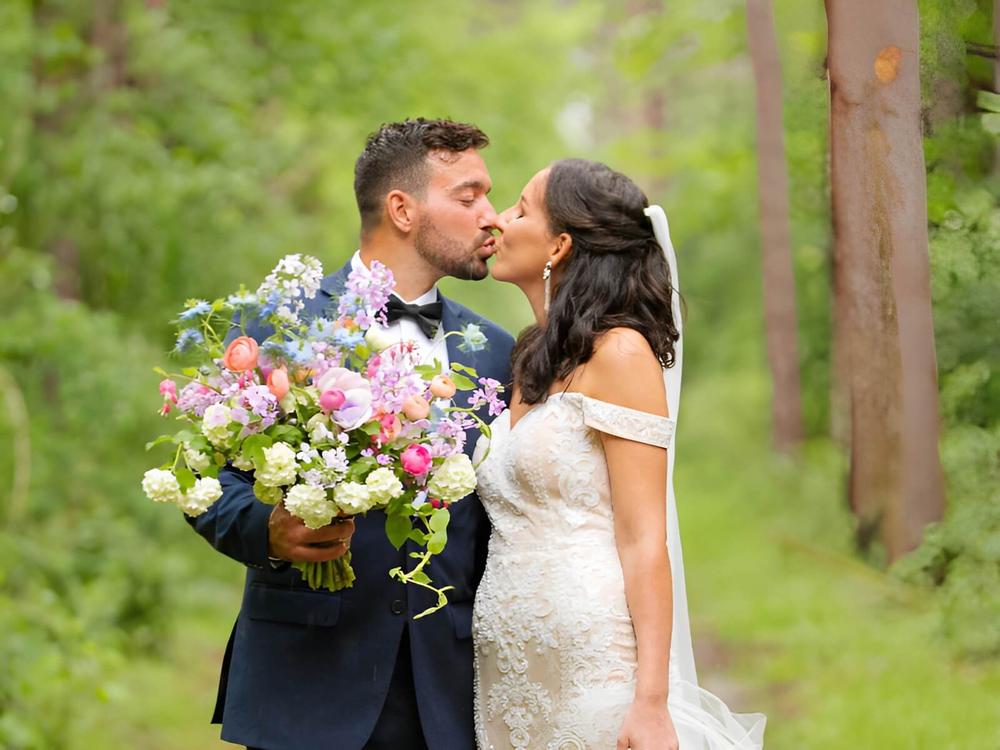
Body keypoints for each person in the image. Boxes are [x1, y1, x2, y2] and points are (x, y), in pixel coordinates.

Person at [187, 118, 515, 750]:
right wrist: (272, 532)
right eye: (469, 197)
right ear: (402, 209)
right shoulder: (281, 323)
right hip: (304, 683)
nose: (491, 217)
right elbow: (206, 477)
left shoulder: (498, 354)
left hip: (444, 693)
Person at [472, 158, 766, 749]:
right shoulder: (530, 361)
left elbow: (643, 536)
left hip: (594, 660)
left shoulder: (621, 353)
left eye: (521, 208)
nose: (500, 220)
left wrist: (652, 701)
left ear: (559, 245)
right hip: (510, 668)